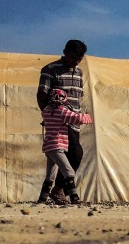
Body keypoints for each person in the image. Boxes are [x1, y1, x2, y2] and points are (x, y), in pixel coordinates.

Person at [36, 39, 87, 204]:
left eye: (79, 59)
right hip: (59, 120)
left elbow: (78, 97)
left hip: (74, 121)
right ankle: (62, 191)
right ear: (65, 52)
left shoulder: (79, 72)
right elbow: (42, 95)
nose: (76, 62)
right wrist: (48, 115)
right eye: (73, 58)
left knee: (69, 156)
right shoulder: (50, 70)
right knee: (75, 153)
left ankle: (54, 191)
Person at [37, 88, 93, 205]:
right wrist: (88, 116)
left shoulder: (46, 111)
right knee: (69, 171)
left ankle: (42, 199)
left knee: (50, 176)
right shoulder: (62, 111)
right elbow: (78, 119)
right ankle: (74, 198)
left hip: (49, 147)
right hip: (58, 147)